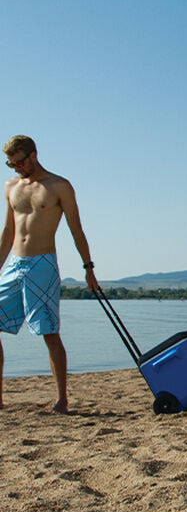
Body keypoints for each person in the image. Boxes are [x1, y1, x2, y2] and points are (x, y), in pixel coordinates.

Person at [0, 135, 98, 413]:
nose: (15, 168)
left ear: (33, 155)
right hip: (15, 263)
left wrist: (88, 269)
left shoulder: (59, 186)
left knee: (49, 333)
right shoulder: (11, 186)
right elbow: (7, 232)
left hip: (42, 264)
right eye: (10, 164)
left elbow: (77, 230)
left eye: (19, 162)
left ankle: (61, 400)